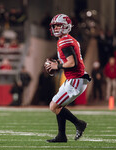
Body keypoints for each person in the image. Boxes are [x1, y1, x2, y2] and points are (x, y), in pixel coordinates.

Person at [44, 14, 91, 143]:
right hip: (75, 78)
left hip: (76, 79)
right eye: (55, 26)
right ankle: (61, 136)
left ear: (66, 26)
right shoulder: (68, 39)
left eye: (59, 25)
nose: (56, 28)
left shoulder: (64, 41)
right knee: (58, 106)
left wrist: (57, 66)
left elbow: (71, 63)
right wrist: (57, 64)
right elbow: (68, 60)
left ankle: (79, 123)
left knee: (53, 106)